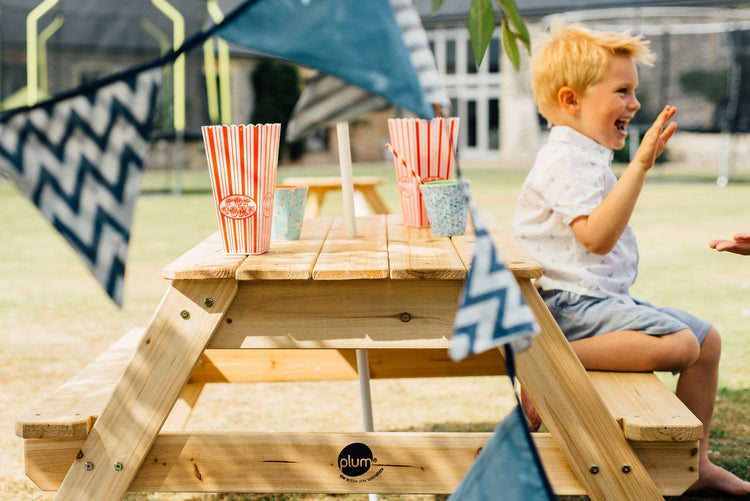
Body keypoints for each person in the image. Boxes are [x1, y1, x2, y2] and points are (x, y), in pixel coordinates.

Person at [513, 22, 750, 496]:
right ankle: (541, 365)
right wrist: (639, 168)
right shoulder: (564, 160)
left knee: (708, 341)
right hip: (565, 308)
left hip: (593, 300)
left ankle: (695, 463)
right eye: (622, 91)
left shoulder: (587, 154)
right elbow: (597, 238)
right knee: (681, 345)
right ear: (571, 100)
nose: (635, 103)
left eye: (634, 91)